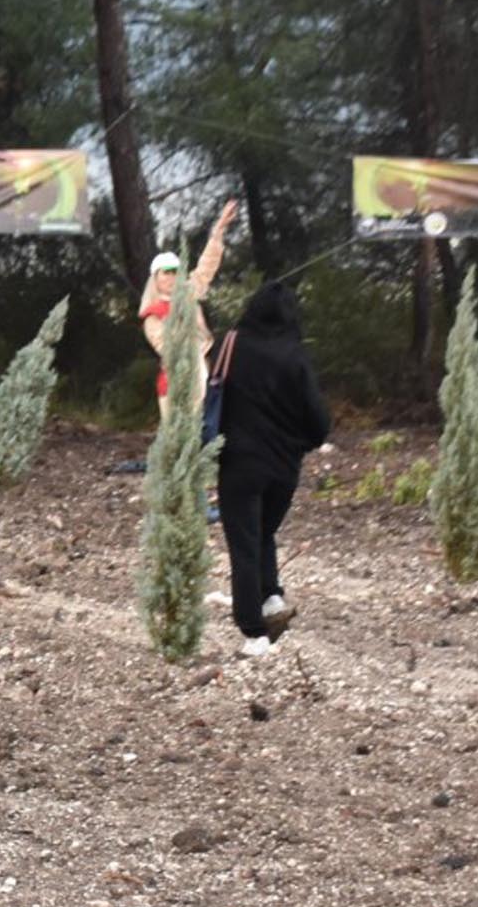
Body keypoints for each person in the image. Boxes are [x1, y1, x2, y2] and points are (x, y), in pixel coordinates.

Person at [214, 282, 334, 658]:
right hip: (283, 468)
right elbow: (319, 421)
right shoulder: (294, 356)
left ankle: (254, 634)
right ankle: (271, 599)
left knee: (244, 545)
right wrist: (301, 445)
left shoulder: (229, 347)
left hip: (238, 464)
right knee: (264, 532)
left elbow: (207, 396)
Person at [140, 199, 238, 424]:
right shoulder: (152, 315)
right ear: (155, 278)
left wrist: (219, 229)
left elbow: (205, 268)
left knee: (206, 431)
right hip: (176, 382)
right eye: (165, 273)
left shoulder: (188, 294)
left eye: (175, 272)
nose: (171, 277)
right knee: (179, 440)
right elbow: (165, 347)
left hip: (202, 373)